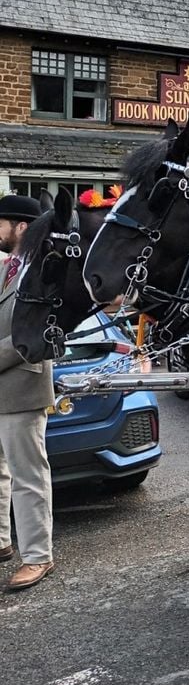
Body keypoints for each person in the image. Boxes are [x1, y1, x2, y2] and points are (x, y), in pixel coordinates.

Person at [0, 194, 56, 592]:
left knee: (28, 476)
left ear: (21, 227)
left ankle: (38, 556)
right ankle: (2, 543)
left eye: (0, 222)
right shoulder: (6, 268)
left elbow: (38, 334)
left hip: (23, 385)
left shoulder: (42, 271)